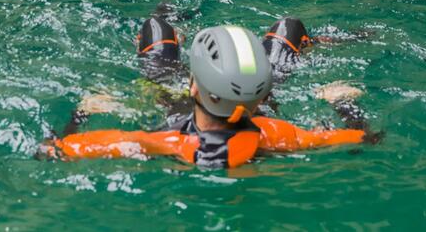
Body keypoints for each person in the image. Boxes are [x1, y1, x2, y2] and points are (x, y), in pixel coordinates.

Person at [42, 26, 367, 169]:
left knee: (156, 29)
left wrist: (83, 113)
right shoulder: (280, 136)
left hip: (172, 107)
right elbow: (364, 137)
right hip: (257, 114)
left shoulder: (164, 143)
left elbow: (55, 150)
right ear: (261, 93)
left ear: (192, 85)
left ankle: (174, 29)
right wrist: (342, 101)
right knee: (289, 28)